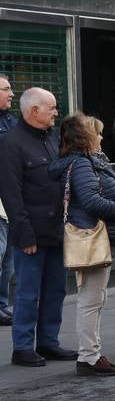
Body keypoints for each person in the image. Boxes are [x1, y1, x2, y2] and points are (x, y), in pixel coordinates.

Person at [48, 114, 115, 376]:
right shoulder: (83, 164)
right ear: (85, 138)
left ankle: (92, 353)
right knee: (91, 299)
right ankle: (89, 357)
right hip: (92, 236)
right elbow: (91, 201)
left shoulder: (82, 162)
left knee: (94, 297)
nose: (101, 137)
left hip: (94, 234)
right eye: (96, 133)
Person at [0, 88, 75, 367]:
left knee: (56, 290)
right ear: (34, 111)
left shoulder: (53, 139)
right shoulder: (11, 144)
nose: (56, 112)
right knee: (28, 292)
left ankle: (48, 342)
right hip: (31, 232)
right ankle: (22, 347)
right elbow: (11, 194)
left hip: (57, 229)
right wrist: (24, 233)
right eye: (52, 108)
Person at [0, 74, 18, 327]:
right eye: (6, 89)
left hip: (12, 200)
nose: (12, 94)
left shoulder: (11, 121)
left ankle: (2, 305)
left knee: (8, 262)